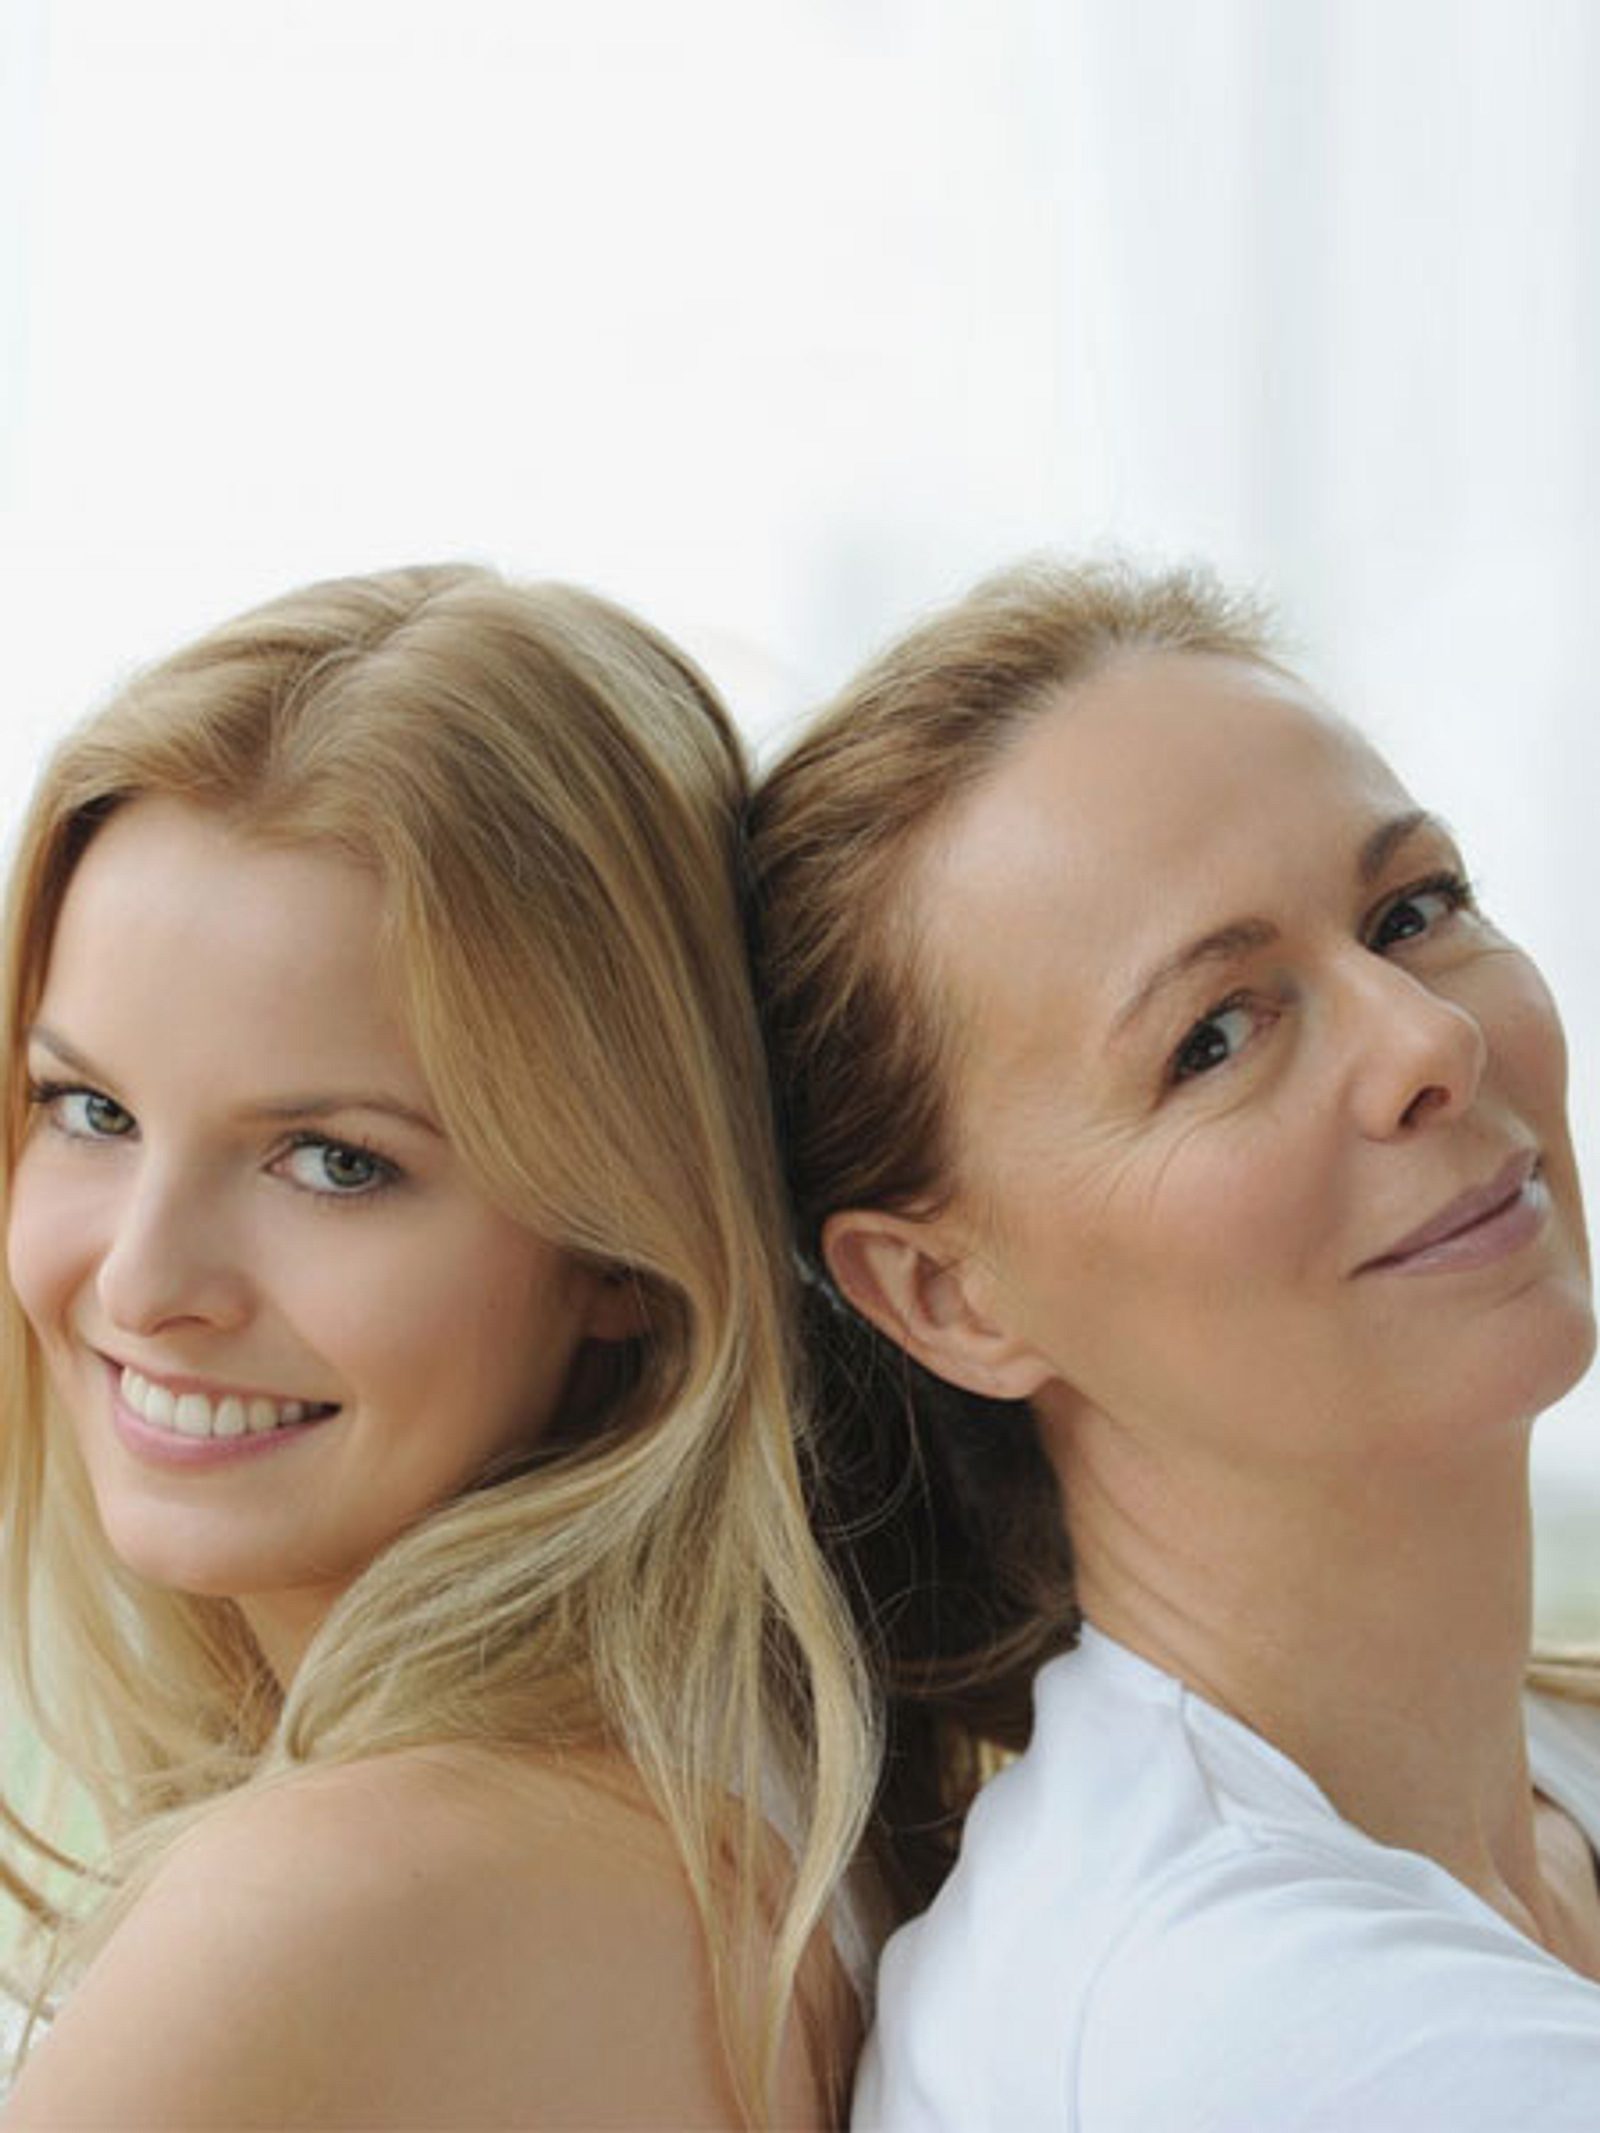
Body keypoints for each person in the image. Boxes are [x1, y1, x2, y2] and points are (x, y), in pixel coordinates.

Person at [0, 563, 876, 2129]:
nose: (141, 1279)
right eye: (91, 1109)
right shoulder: (761, 1798)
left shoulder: (333, 1901)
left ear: (626, 1245)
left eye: (335, 1160)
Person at [745, 557, 1600, 2131]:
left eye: (1413, 912)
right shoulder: (1243, 2025)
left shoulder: (1542, 1784)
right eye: (1213, 1035)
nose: (1432, 1037)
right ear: (947, 1297)